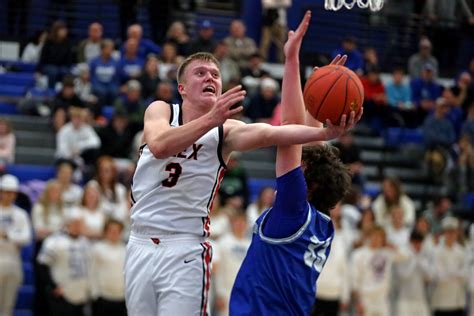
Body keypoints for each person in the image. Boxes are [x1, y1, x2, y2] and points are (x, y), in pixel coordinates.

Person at [125, 11, 358, 316]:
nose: (210, 77)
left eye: (215, 74)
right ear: (181, 88)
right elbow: (158, 146)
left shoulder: (227, 131)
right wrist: (322, 132)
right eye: (201, 73)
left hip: (185, 247)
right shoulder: (160, 111)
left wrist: (323, 133)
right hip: (140, 240)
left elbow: (277, 132)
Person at [230, 12, 357, 315]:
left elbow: (288, 126)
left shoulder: (293, 212)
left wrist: (291, 59)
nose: (296, 165)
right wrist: (318, 103)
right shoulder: (321, 225)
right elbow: (306, 140)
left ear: (308, 185)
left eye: (302, 168)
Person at [0, 174, 32, 316]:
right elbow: (21, 237)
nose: (10, 195)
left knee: (8, 305)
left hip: (13, 261)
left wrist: (7, 235)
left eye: (13, 192)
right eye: (7, 192)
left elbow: (27, 237)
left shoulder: (21, 214)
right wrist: (15, 238)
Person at [90, 219, 127, 316]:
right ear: (105, 232)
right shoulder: (97, 248)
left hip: (122, 298)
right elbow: (91, 272)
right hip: (103, 298)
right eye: (111, 230)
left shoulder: (126, 249)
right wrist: (95, 295)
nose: (114, 233)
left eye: (117, 230)